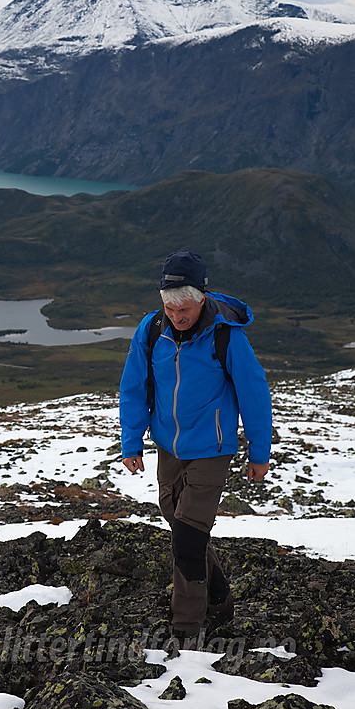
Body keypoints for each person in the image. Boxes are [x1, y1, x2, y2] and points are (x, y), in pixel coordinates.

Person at [119, 251, 272, 644]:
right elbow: (134, 387)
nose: (176, 315)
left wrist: (259, 453)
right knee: (174, 516)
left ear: (201, 299)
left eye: (183, 308)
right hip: (168, 445)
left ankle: (185, 628)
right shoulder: (151, 329)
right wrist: (132, 441)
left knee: (188, 535)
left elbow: (254, 394)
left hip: (212, 448)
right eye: (169, 307)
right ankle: (219, 596)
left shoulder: (226, 336)